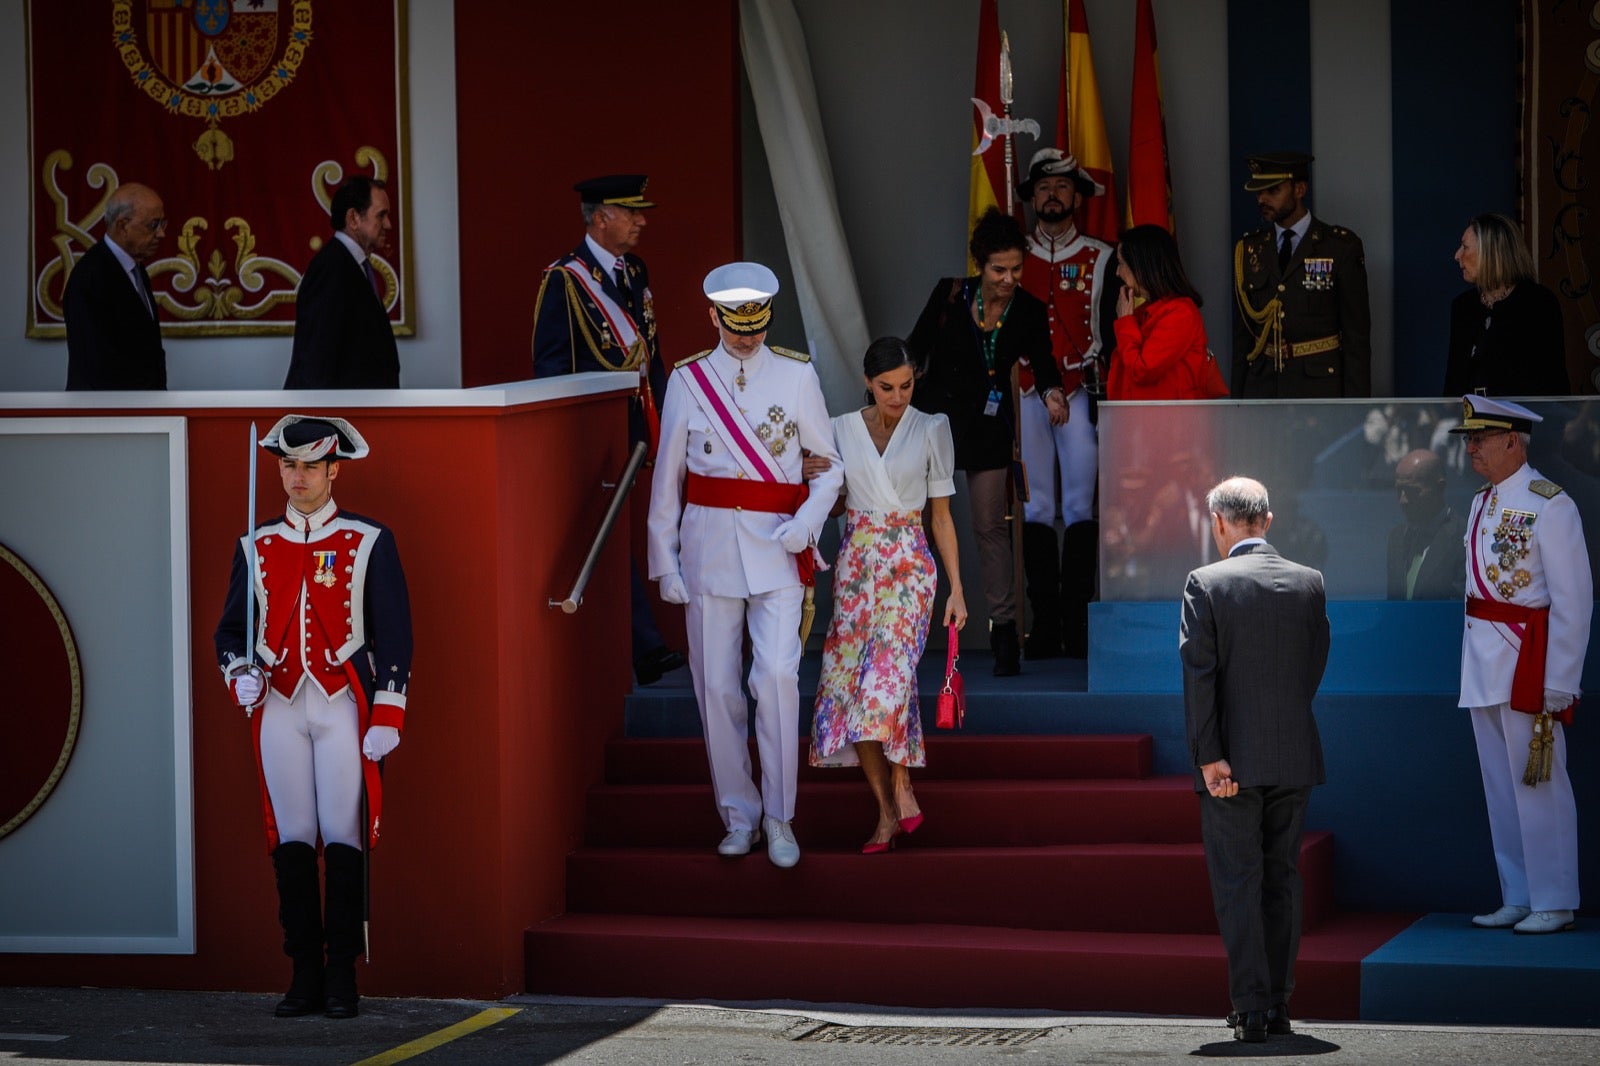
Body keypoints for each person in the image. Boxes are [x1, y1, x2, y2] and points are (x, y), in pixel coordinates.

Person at [213, 415, 414, 1019]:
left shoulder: (369, 539)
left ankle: (342, 973)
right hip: (277, 706)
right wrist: (237, 672)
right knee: (293, 840)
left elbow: (396, 634)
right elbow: (230, 631)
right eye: (286, 465)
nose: (296, 477)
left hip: (343, 707)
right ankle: (302, 971)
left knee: (344, 836)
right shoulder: (257, 544)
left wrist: (388, 711)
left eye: (308, 466)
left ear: (333, 469)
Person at [647, 262, 842, 869]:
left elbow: (828, 464)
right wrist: (665, 561)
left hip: (779, 548)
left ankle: (781, 817)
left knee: (777, 681)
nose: (748, 338)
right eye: (736, 327)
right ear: (714, 317)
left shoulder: (796, 374)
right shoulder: (687, 381)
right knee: (718, 690)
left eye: (756, 326)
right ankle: (739, 814)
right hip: (708, 554)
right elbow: (667, 481)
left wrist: (808, 524)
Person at [1179, 476, 1330, 1043]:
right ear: (1268, 520)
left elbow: (1199, 677)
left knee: (1238, 880)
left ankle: (1249, 1005)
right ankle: (1279, 1003)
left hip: (1230, 764)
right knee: (1282, 879)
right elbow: (1312, 669)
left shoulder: (1205, 582)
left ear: (1219, 523)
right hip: (1293, 753)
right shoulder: (1309, 582)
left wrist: (1209, 756)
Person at [809, 337, 968, 853]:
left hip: (909, 569)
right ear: (867, 382)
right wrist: (816, 480)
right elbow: (831, 510)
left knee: (886, 686)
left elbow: (940, 516)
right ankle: (885, 812)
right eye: (886, 388)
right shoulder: (838, 429)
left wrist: (957, 590)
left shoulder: (932, 427)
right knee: (848, 691)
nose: (897, 397)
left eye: (906, 386)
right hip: (855, 567)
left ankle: (903, 786)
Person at [532, 174, 683, 685]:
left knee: (637, 531)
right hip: (592, 438)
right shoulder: (564, 280)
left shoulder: (634, 270)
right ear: (600, 217)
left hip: (640, 427)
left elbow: (652, 357)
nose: (642, 221)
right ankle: (643, 647)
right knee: (612, 535)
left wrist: (667, 419)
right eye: (632, 212)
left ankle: (644, 645)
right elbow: (549, 367)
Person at [1450, 396, 1590, 935]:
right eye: (1468, 438)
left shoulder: (1551, 504)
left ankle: (1554, 898)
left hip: (1528, 660)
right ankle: (1520, 892)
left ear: (1513, 440)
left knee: (1540, 781)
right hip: (1484, 661)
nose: (1471, 448)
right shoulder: (1482, 503)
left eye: (1480, 438)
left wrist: (1560, 680)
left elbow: (1573, 601)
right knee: (1500, 786)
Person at [909, 208, 1068, 676]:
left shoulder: (1030, 309)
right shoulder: (949, 294)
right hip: (934, 423)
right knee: (908, 523)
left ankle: (1005, 634)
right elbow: (915, 347)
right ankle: (907, 625)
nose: (1009, 278)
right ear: (980, 264)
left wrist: (1053, 391)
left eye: (1017, 269)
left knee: (991, 529)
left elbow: (1043, 361)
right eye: (999, 269)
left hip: (988, 427)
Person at [1015, 149, 1118, 659]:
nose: (1051, 195)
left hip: (1081, 391)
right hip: (1027, 392)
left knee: (1080, 507)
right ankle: (1045, 624)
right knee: (1035, 507)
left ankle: (1078, 624)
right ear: (1031, 197)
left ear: (1077, 196)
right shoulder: (1014, 257)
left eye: (1061, 186)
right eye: (1042, 187)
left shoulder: (1103, 256)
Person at [1232, 152, 1371, 398]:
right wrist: (1237, 406)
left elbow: (1356, 339)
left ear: (1300, 189)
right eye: (1258, 192)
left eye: (1272, 191)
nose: (1262, 199)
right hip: (1263, 386)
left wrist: (1355, 409)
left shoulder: (1339, 247)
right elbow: (1242, 340)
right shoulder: (1249, 249)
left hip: (1319, 389)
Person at [282, 176, 400, 389]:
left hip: (358, 414)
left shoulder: (350, 264)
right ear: (354, 218)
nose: (389, 224)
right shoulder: (330, 268)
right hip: (337, 419)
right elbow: (316, 361)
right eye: (381, 215)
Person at [1443, 214, 1569, 397]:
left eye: (1465, 247)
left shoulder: (1538, 303)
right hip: (1470, 422)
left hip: (1522, 423)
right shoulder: (1463, 306)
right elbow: (1453, 384)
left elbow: (1553, 384)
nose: (1457, 255)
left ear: (1491, 252)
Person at [63, 182, 167, 390]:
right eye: (153, 225)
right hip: (106, 413)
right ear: (123, 226)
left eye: (163, 224)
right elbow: (96, 362)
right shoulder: (90, 276)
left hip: (142, 410)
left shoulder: (136, 270)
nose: (161, 234)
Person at [1107, 224, 1219, 401]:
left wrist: (1125, 323)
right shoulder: (1142, 313)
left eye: (1121, 263)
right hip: (1139, 422)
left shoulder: (1181, 313)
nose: (1117, 272)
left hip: (1172, 424)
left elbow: (1143, 370)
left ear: (1141, 265)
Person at [1386, 448, 1466, 601]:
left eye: (1411, 491)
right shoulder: (1396, 539)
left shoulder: (1466, 540)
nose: (1403, 500)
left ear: (1440, 488)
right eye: (1399, 490)